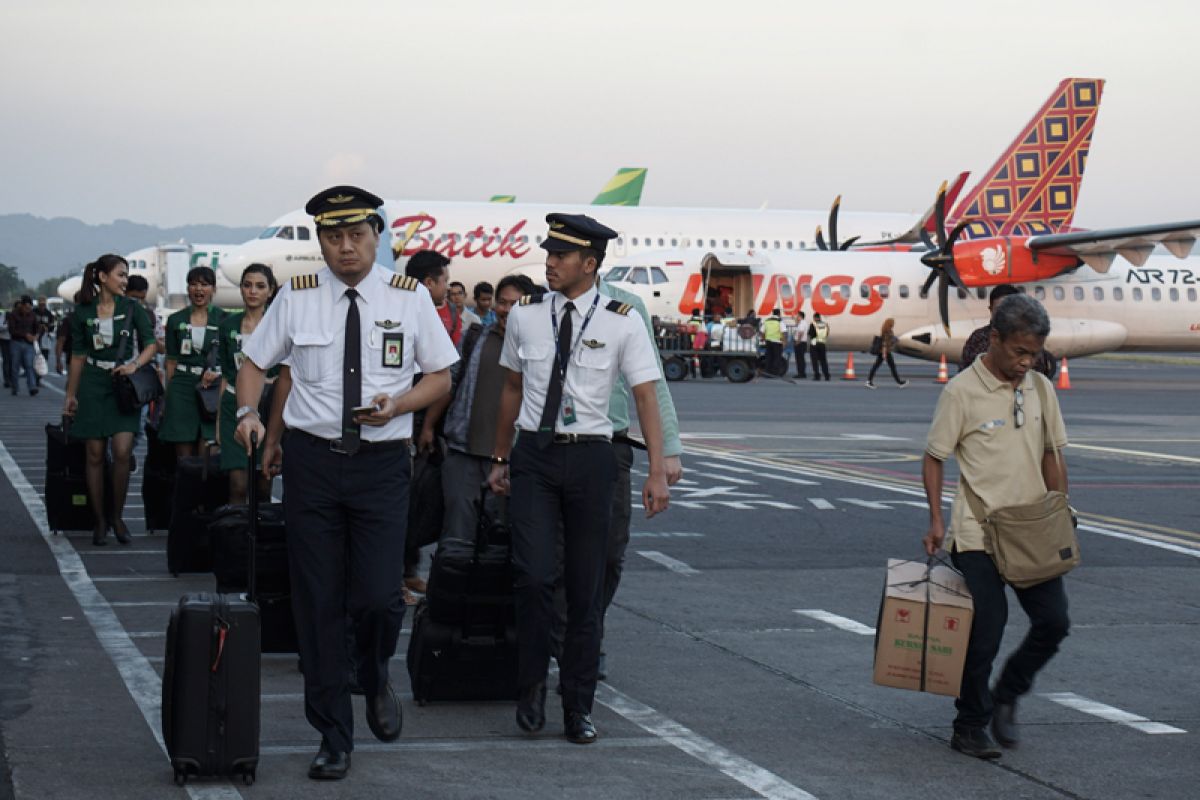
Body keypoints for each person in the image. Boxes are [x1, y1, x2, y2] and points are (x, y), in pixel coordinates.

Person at [235, 186, 458, 781]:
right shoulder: (297, 299)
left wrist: (401, 404)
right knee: (317, 602)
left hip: (382, 466)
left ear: (376, 236)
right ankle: (333, 733)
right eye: (333, 237)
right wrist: (250, 416)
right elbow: (257, 364)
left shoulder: (409, 298)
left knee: (381, 597)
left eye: (356, 235)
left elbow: (441, 377)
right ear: (321, 242)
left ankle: (375, 669)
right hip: (312, 465)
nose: (346, 248)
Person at [487, 213, 670, 745]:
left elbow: (644, 397)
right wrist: (500, 458)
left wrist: (658, 469)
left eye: (561, 256)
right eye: (548, 253)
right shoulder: (525, 316)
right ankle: (530, 689)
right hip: (535, 458)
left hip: (592, 458)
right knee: (533, 576)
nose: (549, 263)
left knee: (586, 589)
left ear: (589, 264)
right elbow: (512, 390)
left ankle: (577, 705)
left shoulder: (621, 318)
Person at [922, 293, 1070, 760]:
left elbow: (1052, 453)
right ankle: (969, 725)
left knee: (1054, 622)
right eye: (1019, 352)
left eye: (1034, 354)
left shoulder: (1041, 388)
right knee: (986, 627)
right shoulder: (961, 391)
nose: (1027, 362)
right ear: (995, 338)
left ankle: (1009, 691)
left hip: (1031, 530)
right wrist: (935, 517)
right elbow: (933, 457)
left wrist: (1060, 511)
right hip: (978, 531)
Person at [424, 274, 535, 542]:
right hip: (465, 454)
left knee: (505, 541)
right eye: (502, 302)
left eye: (515, 304)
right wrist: (428, 426)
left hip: (515, 459)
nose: (506, 310)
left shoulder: (539, 347)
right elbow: (449, 382)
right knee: (457, 536)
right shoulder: (475, 337)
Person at [62, 255, 156, 545]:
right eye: (120, 275)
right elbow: (77, 356)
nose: (125, 281)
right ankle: (100, 520)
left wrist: (135, 365)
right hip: (91, 384)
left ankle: (117, 516)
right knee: (93, 453)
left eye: (126, 276)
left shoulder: (132, 308)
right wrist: (70, 395)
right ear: (102, 277)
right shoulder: (82, 312)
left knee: (123, 451)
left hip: (121, 386)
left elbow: (150, 344)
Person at [216, 264, 279, 505]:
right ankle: (236, 539)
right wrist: (220, 421)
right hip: (234, 406)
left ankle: (261, 540)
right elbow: (225, 375)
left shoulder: (277, 325)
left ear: (270, 291)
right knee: (237, 484)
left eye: (260, 286)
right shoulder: (227, 326)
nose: (253, 291)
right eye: (247, 285)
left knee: (263, 485)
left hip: (267, 406)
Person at [159, 267, 225, 458]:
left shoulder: (224, 319)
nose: (199, 289)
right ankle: (186, 488)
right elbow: (170, 361)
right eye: (194, 284)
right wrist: (167, 396)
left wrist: (218, 374)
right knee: (183, 454)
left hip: (211, 388)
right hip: (181, 388)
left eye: (204, 284)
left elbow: (230, 361)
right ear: (187, 288)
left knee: (209, 451)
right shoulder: (174, 320)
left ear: (213, 289)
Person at [961, 285, 1057, 378]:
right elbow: (965, 372)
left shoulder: (1031, 340)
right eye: (999, 310)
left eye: (1011, 310)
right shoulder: (977, 339)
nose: (1005, 314)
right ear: (991, 310)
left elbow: (1039, 372)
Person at [405, 251, 460, 346]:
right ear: (429, 283)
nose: (448, 287)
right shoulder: (401, 313)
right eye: (445, 281)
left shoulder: (452, 312)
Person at [7, 296, 39, 396]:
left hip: (29, 344)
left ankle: (32, 387)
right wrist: (25, 334)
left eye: (29, 307)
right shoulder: (13, 314)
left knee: (29, 365)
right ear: (21, 305)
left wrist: (36, 335)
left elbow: (37, 328)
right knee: (15, 366)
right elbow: (12, 330)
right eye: (26, 307)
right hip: (16, 343)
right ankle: (15, 387)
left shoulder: (33, 315)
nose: (27, 309)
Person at [865, 317, 908, 388]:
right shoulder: (887, 331)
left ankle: (869, 381)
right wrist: (884, 353)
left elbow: (888, 340)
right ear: (890, 323)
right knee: (891, 367)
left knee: (878, 366)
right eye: (893, 323)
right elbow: (885, 342)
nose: (894, 324)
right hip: (885, 351)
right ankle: (899, 382)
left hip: (884, 351)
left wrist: (894, 339)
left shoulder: (886, 329)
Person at [808, 312, 831, 380]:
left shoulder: (813, 324)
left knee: (815, 361)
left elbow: (810, 334)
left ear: (815, 317)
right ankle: (827, 375)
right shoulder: (825, 324)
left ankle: (817, 375)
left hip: (814, 344)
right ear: (820, 317)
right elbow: (827, 332)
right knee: (823, 361)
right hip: (822, 344)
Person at [762, 308, 784, 376]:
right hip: (777, 342)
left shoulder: (767, 321)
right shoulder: (780, 321)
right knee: (777, 357)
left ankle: (767, 371)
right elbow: (784, 332)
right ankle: (774, 372)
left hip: (768, 342)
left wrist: (764, 339)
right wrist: (784, 341)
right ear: (779, 314)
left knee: (769, 357)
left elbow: (762, 331)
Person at [0, 307, 10, 388]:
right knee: (6, 360)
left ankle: (12, 378)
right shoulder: (5, 314)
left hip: (16, 340)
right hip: (5, 340)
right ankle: (7, 380)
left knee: (14, 361)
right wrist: (8, 326)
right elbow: (0, 326)